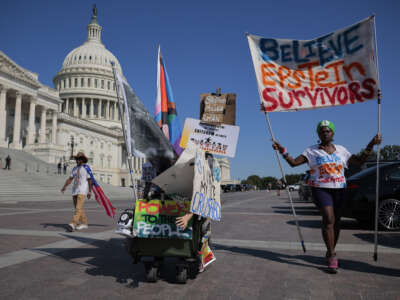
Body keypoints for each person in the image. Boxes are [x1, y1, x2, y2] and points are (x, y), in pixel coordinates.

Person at [272, 120, 381, 273]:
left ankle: (330, 249)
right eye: (322, 131)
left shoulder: (341, 150)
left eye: (328, 131)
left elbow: (359, 160)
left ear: (333, 133)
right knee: (328, 219)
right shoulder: (311, 151)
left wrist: (371, 144)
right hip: (321, 189)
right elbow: (293, 163)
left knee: (336, 223)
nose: (325, 133)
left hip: (340, 189)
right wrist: (282, 150)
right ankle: (332, 254)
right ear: (318, 134)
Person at [60, 152, 92, 232]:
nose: (77, 160)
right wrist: (64, 186)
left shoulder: (86, 168)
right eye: (77, 159)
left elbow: (89, 180)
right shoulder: (74, 169)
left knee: (78, 208)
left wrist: (90, 191)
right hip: (75, 190)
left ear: (83, 160)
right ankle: (84, 223)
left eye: (79, 159)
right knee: (78, 208)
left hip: (82, 190)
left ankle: (73, 224)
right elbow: (70, 179)